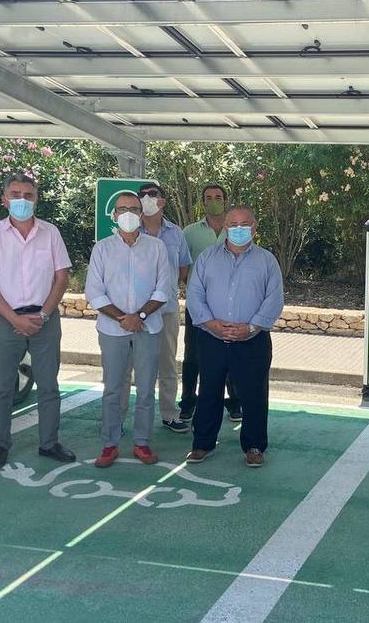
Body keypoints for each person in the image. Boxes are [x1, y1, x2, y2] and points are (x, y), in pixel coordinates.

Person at [0, 174, 74, 469]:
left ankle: (49, 443)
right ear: (4, 200)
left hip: (45, 318)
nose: (22, 200)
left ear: (36, 199)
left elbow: (61, 277)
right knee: (1, 386)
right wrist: (14, 318)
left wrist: (42, 315)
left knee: (49, 385)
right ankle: (0, 444)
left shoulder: (50, 233)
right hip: (5, 320)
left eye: (28, 195)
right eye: (15, 194)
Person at [185, 206, 283, 467]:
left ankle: (254, 446)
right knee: (208, 391)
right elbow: (194, 295)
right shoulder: (207, 258)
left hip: (252, 340)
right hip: (211, 338)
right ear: (225, 227)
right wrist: (211, 324)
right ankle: (202, 444)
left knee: (254, 395)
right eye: (233, 224)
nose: (239, 229)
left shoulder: (267, 261)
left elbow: (274, 300)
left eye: (245, 224)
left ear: (254, 227)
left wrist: (251, 327)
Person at [86, 191, 176, 467]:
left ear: (142, 213)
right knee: (113, 388)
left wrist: (140, 315)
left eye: (134, 208)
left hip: (148, 328)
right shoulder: (102, 248)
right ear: (113, 215)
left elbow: (164, 289)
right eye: (122, 208)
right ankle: (110, 443)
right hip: (113, 330)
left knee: (147, 388)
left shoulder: (157, 248)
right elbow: (94, 292)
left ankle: (142, 443)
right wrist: (123, 318)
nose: (128, 213)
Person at [115, 182, 191, 434]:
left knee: (167, 364)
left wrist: (165, 292)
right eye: (143, 195)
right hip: (129, 312)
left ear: (163, 201)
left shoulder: (175, 233)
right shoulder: (129, 232)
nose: (147, 198)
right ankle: (118, 418)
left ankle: (170, 414)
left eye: (153, 195)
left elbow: (182, 268)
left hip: (165, 310)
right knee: (125, 367)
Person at [180, 183, 241, 423]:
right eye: (209, 197)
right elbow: (183, 268)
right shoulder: (190, 232)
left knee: (231, 354)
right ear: (202, 202)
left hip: (231, 306)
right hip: (199, 307)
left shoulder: (236, 231)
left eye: (218, 197)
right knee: (193, 356)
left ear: (225, 200)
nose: (213, 200)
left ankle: (235, 402)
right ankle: (187, 402)